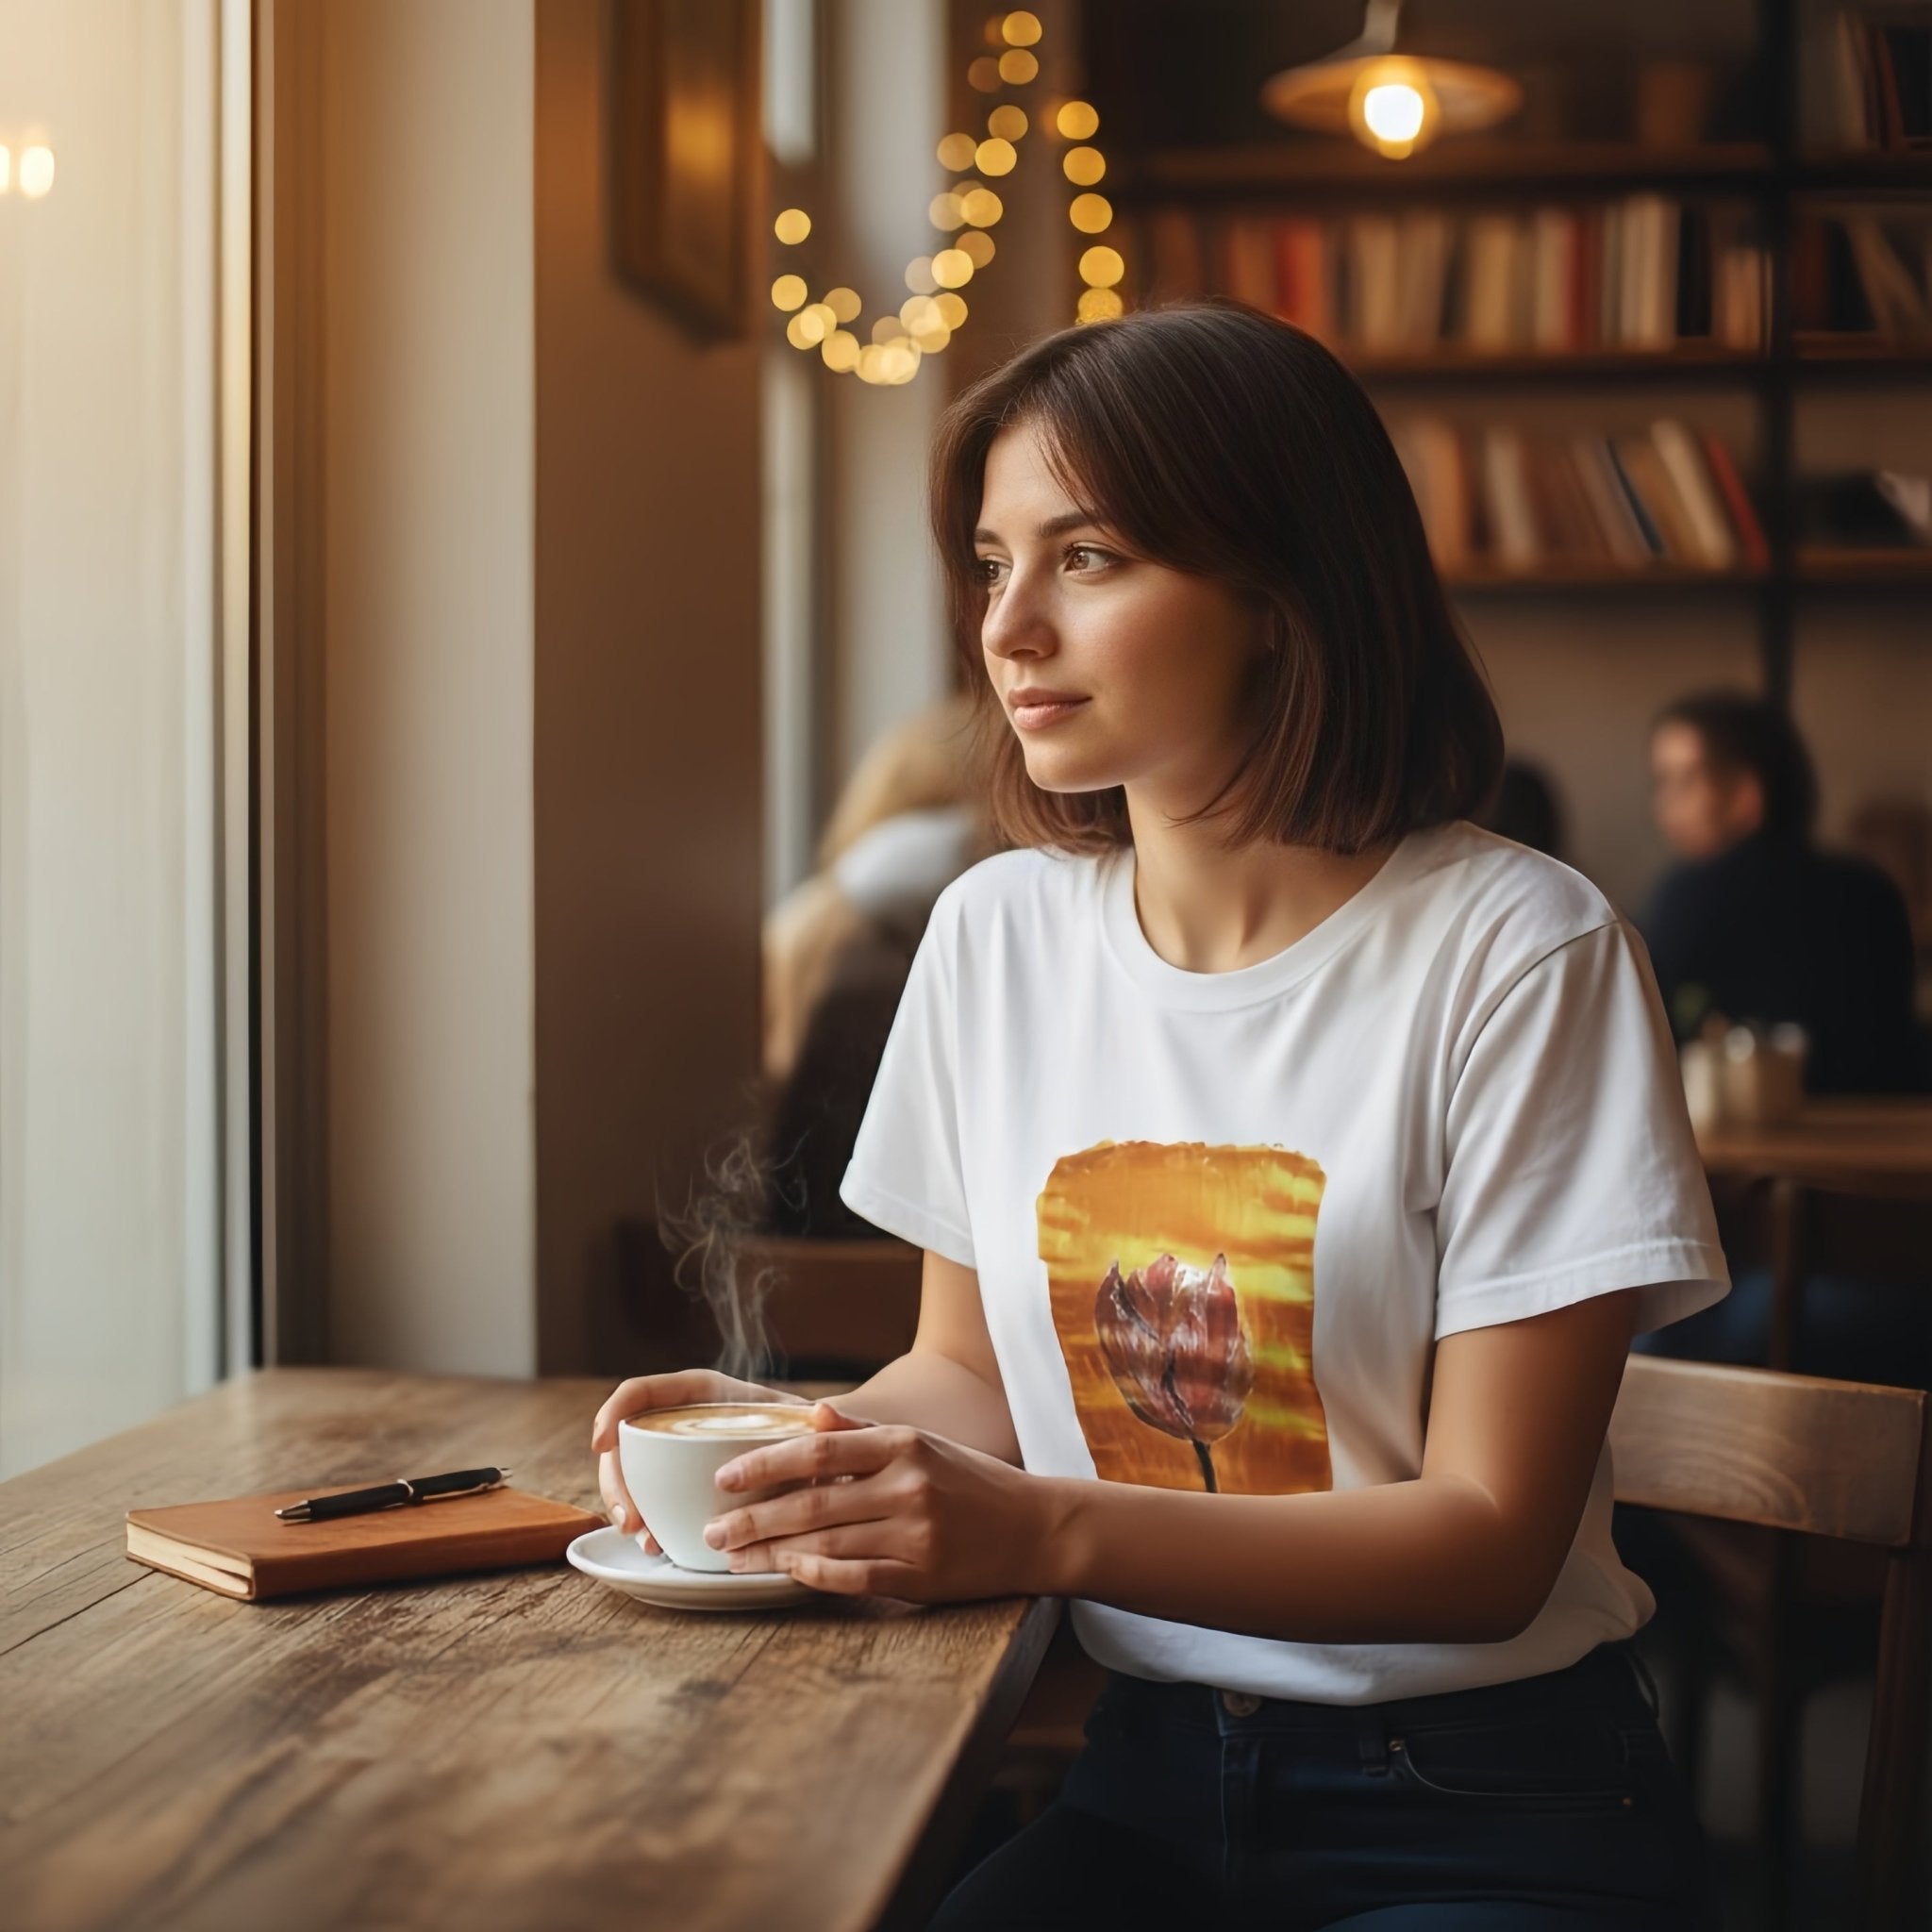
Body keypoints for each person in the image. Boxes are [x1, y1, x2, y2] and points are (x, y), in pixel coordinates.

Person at [592, 304, 1728, 1928]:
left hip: (1487, 1797)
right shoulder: (996, 937)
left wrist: (1040, 1526)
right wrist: (795, 1441)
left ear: (1278, 592)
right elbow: (967, 1372)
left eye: (1090, 555)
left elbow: (1488, 1541)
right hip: (1138, 1776)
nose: (1008, 628)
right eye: (991, 563)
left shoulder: (1519, 950)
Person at [1641, 691, 1930, 1094]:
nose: (1663, 806)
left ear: (1745, 795)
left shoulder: (1690, 897)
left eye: (1682, 782)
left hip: (1740, 1146)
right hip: (1888, 1140)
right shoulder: (1874, 890)